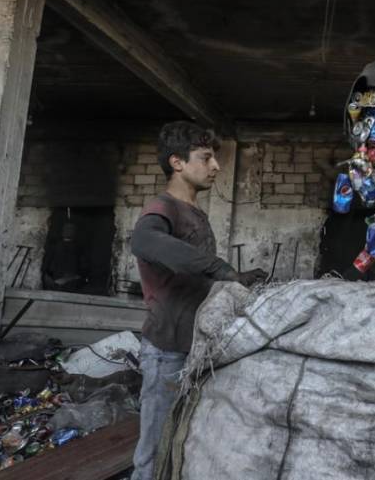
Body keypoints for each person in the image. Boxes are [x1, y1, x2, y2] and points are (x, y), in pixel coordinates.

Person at [129, 121, 265, 480]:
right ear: (177, 162)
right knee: (155, 447)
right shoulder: (164, 207)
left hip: (193, 349)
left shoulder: (196, 214)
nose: (215, 166)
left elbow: (194, 277)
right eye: (205, 158)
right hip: (166, 349)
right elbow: (143, 242)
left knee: (182, 440)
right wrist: (222, 269)